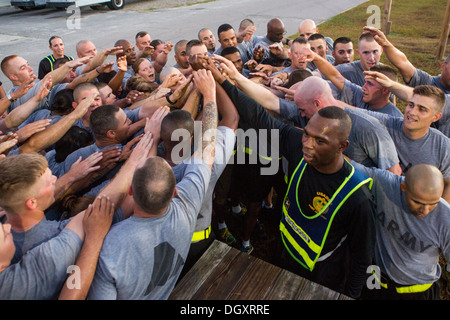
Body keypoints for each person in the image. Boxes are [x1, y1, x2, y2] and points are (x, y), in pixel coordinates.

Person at [208, 57, 376, 298]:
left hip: (320, 278)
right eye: (307, 134)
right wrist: (223, 79)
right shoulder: (297, 147)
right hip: (283, 255)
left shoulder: (357, 196)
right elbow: (258, 115)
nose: (308, 144)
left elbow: (362, 259)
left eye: (320, 141)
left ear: (343, 146)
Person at [87, 69, 217, 300]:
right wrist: (210, 96)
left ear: (130, 192)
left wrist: (152, 138)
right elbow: (207, 147)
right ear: (175, 191)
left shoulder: (109, 243)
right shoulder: (187, 206)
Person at [210, 55, 402, 175]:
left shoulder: (366, 127)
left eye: (302, 109)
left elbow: (392, 174)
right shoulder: (307, 114)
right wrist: (235, 76)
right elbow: (269, 102)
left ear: (317, 103)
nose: (298, 113)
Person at [0, 153, 115, 300]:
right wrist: (93, 242)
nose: (6, 227)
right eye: (49, 181)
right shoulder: (48, 250)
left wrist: (71, 177)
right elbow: (101, 207)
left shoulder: (8, 218)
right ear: (32, 203)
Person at [351, 163, 450, 300]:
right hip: (375, 280)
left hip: (417, 292)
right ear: (404, 188)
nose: (425, 210)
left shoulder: (446, 219)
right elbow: (346, 165)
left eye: (433, 203)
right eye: (417, 202)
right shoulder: (385, 184)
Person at [344, 82, 450, 203]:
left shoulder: (444, 146)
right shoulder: (386, 124)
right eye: (411, 105)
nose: (412, 112)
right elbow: (352, 111)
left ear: (436, 117)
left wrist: (438, 216)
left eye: (422, 109)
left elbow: (448, 183)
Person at [362, 26, 450, 137]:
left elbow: (423, 99)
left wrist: (391, 84)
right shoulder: (428, 81)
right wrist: (385, 44)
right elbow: (403, 64)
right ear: (443, 66)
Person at [299, 45, 403, 117]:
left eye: (370, 84)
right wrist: (315, 57)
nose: (363, 87)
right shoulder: (361, 95)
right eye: (365, 82)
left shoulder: (394, 118)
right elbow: (335, 77)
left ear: (385, 90)